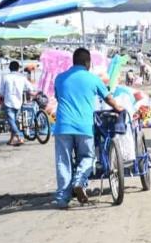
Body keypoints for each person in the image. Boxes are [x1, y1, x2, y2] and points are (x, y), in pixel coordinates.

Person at [53, 48, 124, 208]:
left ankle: (62, 199)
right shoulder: (93, 79)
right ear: (88, 62)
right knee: (87, 157)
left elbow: (58, 97)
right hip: (84, 126)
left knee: (63, 161)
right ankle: (79, 181)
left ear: (73, 61)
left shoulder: (59, 78)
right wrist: (118, 107)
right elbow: (108, 98)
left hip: (63, 126)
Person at [0, 60, 32, 146]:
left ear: (9, 68)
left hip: (8, 101)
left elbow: (2, 91)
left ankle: (19, 137)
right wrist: (31, 93)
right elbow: (30, 87)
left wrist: (1, 100)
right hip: (18, 102)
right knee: (13, 121)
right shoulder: (22, 77)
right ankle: (11, 140)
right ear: (18, 68)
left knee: (11, 121)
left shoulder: (5, 77)